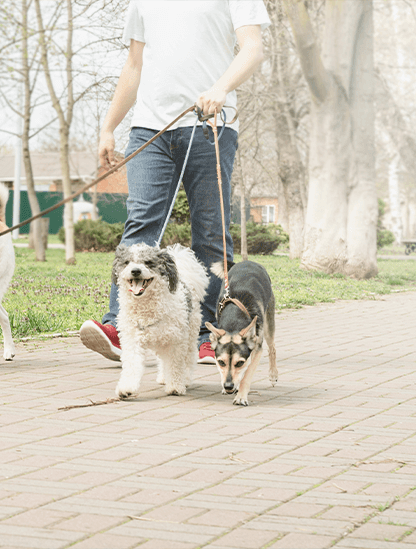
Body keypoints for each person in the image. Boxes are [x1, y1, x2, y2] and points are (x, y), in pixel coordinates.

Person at [79, 0, 269, 365]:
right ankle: (121, 325)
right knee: (141, 224)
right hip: (151, 130)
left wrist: (221, 87)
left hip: (210, 125)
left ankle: (208, 334)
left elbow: (253, 48)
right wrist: (108, 126)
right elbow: (134, 65)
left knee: (211, 233)